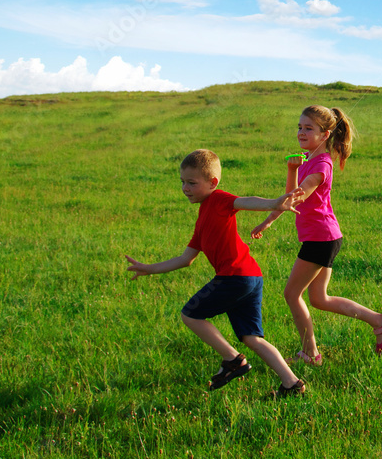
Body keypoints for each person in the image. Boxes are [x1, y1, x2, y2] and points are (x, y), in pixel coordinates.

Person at [125, 148, 307, 398]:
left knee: (190, 314)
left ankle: (233, 360)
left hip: (235, 277)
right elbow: (185, 259)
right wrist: (149, 269)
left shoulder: (218, 199)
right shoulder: (202, 219)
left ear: (212, 183)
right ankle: (292, 384)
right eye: (182, 182)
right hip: (251, 277)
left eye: (191, 183)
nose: (185, 188)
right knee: (251, 337)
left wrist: (274, 203)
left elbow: (244, 201)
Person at [251, 105, 382, 365]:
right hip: (325, 237)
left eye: (309, 128)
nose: (301, 132)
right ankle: (380, 321)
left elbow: (298, 195)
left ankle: (310, 354)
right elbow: (291, 198)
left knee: (291, 294)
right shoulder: (308, 160)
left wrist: (288, 180)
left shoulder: (322, 164)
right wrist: (268, 221)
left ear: (325, 134)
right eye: (299, 127)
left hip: (320, 239)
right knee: (319, 298)